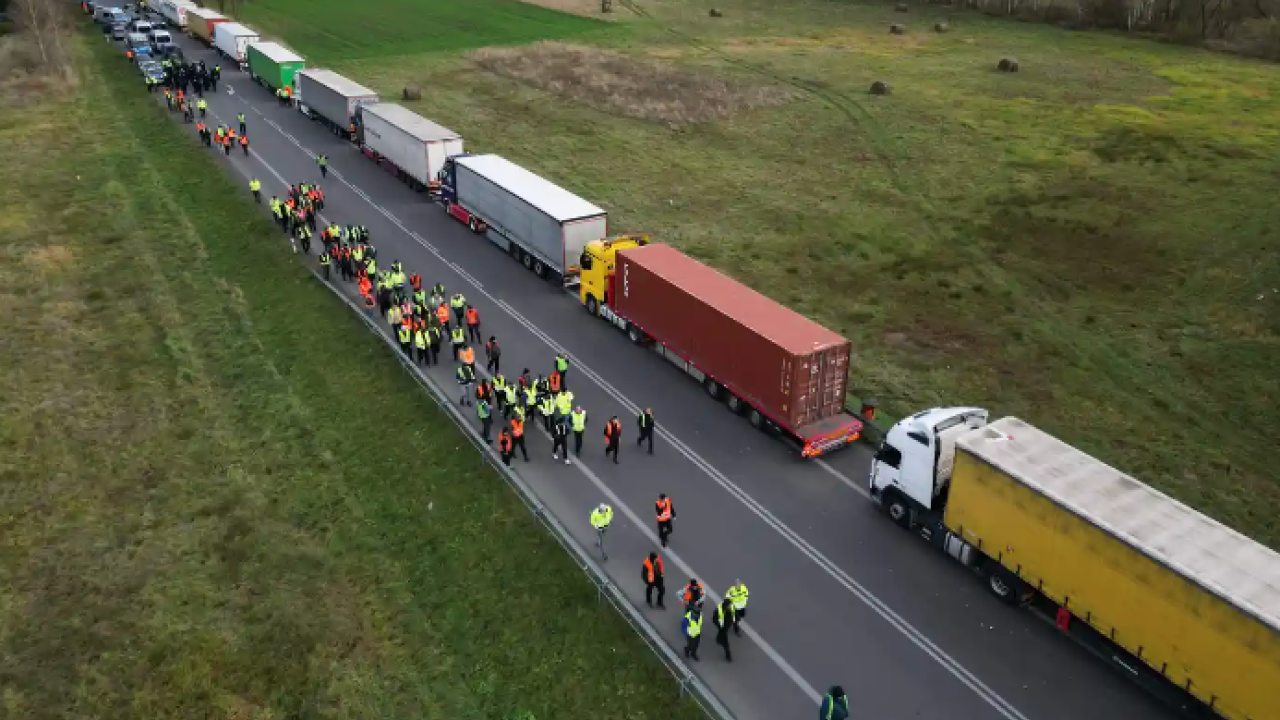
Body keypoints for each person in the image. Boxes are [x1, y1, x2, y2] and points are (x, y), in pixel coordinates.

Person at [714, 597, 735, 662]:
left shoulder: (729, 609)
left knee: (720, 634)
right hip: (722, 627)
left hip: (725, 627)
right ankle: (728, 656)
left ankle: (718, 639)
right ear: (726, 605)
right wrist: (719, 625)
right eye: (729, 605)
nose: (730, 606)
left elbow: (732, 616)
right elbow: (714, 619)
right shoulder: (719, 610)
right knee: (726, 643)